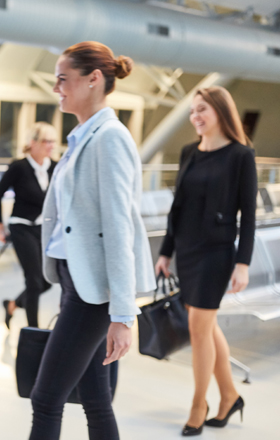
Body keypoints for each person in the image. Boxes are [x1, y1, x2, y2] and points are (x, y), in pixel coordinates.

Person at [29, 41, 156, 440]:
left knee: (46, 399)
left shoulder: (109, 139)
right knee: (95, 400)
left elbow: (120, 227)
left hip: (93, 295)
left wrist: (123, 314)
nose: (57, 88)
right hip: (77, 283)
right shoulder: (84, 136)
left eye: (64, 80)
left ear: (94, 79)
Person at [154, 86, 256, 436]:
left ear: (220, 113)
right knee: (205, 325)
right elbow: (177, 209)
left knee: (199, 329)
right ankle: (229, 396)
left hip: (217, 253)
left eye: (202, 109)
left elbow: (249, 216)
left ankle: (200, 403)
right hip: (188, 251)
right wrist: (166, 251)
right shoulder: (188, 153)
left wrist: (243, 263)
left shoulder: (241, 156)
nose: (195, 116)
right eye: (192, 111)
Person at [0, 122, 57, 328]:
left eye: (53, 141)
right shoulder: (19, 167)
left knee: (47, 280)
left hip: (43, 228)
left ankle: (12, 305)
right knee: (34, 281)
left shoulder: (54, 167)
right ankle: (34, 332)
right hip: (21, 227)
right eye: (47, 141)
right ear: (33, 143)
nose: (51, 146)